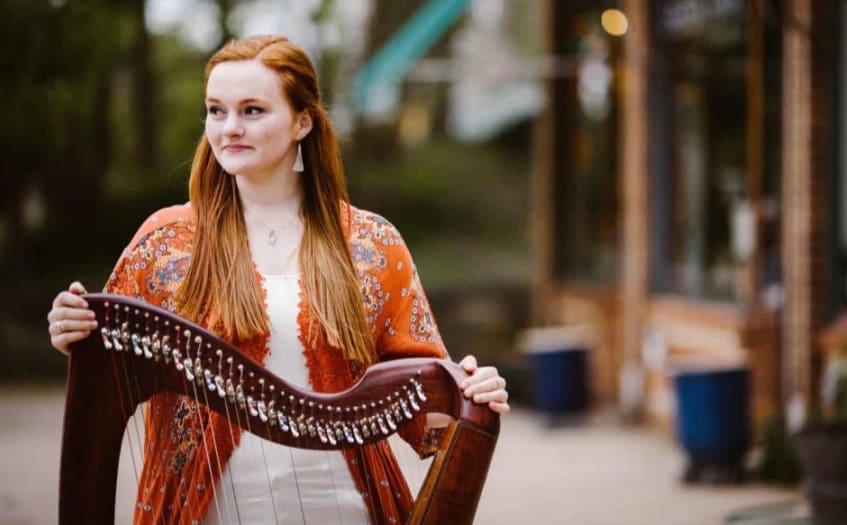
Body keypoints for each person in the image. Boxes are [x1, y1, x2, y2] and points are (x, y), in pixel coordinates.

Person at [46, 35, 509, 525]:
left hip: (345, 510)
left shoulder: (372, 244)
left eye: (252, 110)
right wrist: (71, 329)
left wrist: (469, 393)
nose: (229, 127)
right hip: (204, 512)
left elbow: (427, 419)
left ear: (302, 122)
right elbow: (111, 359)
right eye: (216, 110)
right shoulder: (166, 242)